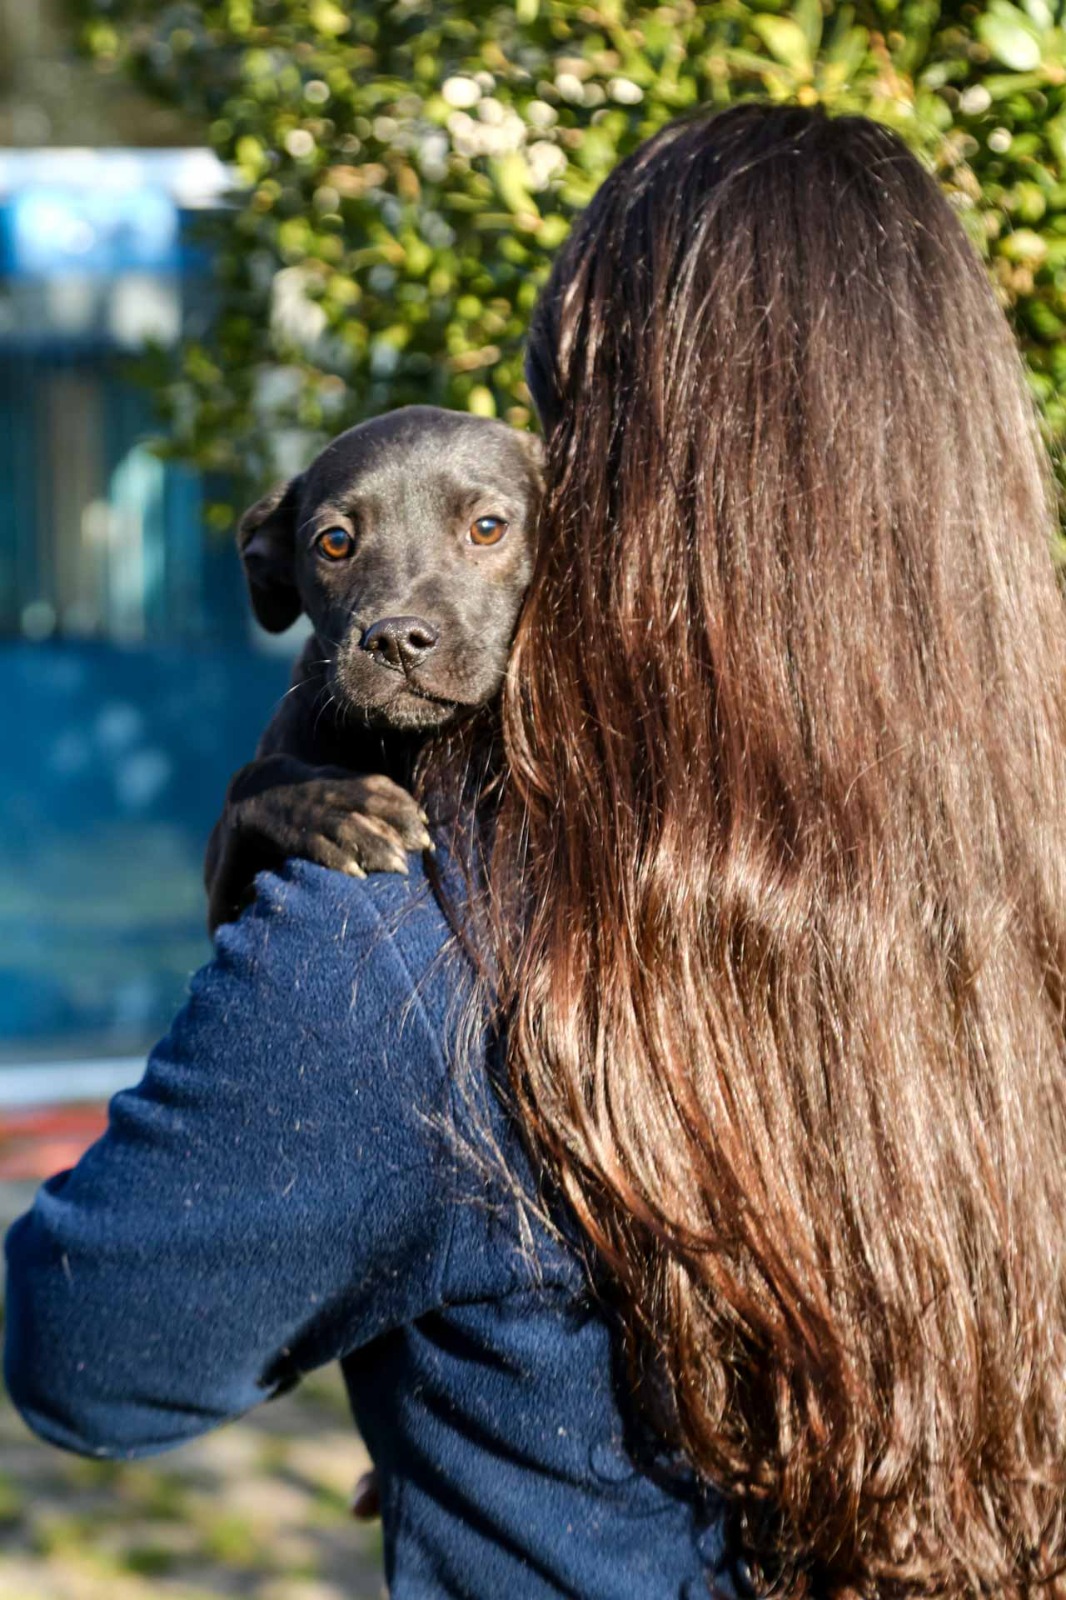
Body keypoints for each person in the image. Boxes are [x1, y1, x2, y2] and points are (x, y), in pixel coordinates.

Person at [6, 100, 1066, 1599]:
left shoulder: (414, 947)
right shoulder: (1021, 891)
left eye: (561, 408)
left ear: (617, 485)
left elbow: (89, 1354)